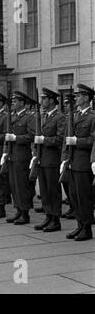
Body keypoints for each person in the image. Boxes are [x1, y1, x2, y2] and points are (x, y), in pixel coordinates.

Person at [64, 84, 95, 241]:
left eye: (79, 96)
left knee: (84, 196)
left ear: (87, 98)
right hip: (72, 162)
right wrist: (64, 160)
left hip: (83, 163)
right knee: (73, 195)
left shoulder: (92, 117)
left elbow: (92, 140)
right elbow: (66, 141)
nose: (76, 98)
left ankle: (87, 228)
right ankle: (80, 224)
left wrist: (77, 141)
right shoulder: (73, 115)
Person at [32, 88, 65, 232]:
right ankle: (48, 216)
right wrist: (35, 153)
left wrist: (44, 140)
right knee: (44, 190)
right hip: (41, 158)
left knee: (53, 190)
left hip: (52, 159)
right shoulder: (43, 116)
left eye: (44, 99)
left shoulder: (60, 117)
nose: (41, 101)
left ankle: (56, 219)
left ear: (52, 100)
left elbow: (60, 139)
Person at [3, 91, 36, 225]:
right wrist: (5, 152)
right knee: (14, 185)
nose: (13, 103)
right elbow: (6, 136)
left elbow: (32, 136)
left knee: (22, 185)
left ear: (22, 103)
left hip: (22, 155)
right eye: (12, 101)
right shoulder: (12, 116)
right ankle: (18, 210)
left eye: (16, 101)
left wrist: (16, 138)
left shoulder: (29, 117)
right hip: (12, 154)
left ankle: (25, 213)